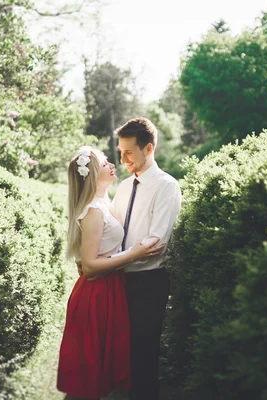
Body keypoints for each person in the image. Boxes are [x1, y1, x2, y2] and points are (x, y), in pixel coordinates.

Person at [57, 146, 165, 400]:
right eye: (105, 163)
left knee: (103, 368)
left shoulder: (102, 204)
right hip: (97, 293)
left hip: (109, 288)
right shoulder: (94, 211)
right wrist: (134, 255)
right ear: (93, 173)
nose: (112, 164)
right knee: (92, 371)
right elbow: (91, 264)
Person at [110, 117, 182, 400]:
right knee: (120, 354)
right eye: (120, 151)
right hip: (117, 280)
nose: (123, 158)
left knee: (143, 356)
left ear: (148, 148)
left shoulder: (166, 186)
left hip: (148, 284)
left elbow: (156, 243)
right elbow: (112, 230)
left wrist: (116, 261)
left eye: (129, 152)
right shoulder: (125, 187)